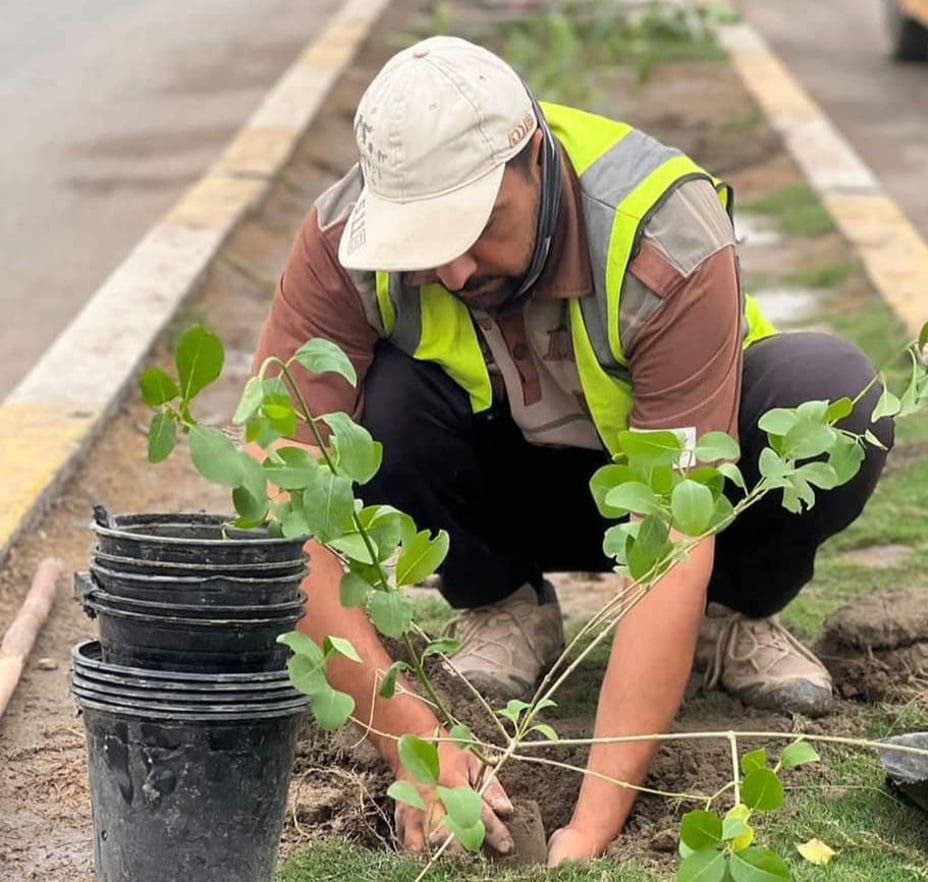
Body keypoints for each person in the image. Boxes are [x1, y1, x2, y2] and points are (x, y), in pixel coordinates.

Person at [252, 35, 893, 865]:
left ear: (534, 159)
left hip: (683, 488)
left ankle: (726, 618)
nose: (451, 267)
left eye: (479, 224)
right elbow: (285, 507)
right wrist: (415, 746)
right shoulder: (345, 240)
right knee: (378, 400)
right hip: (503, 489)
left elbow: (674, 535)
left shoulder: (663, 227)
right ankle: (502, 603)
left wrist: (589, 829)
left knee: (833, 393)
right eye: (424, 238)